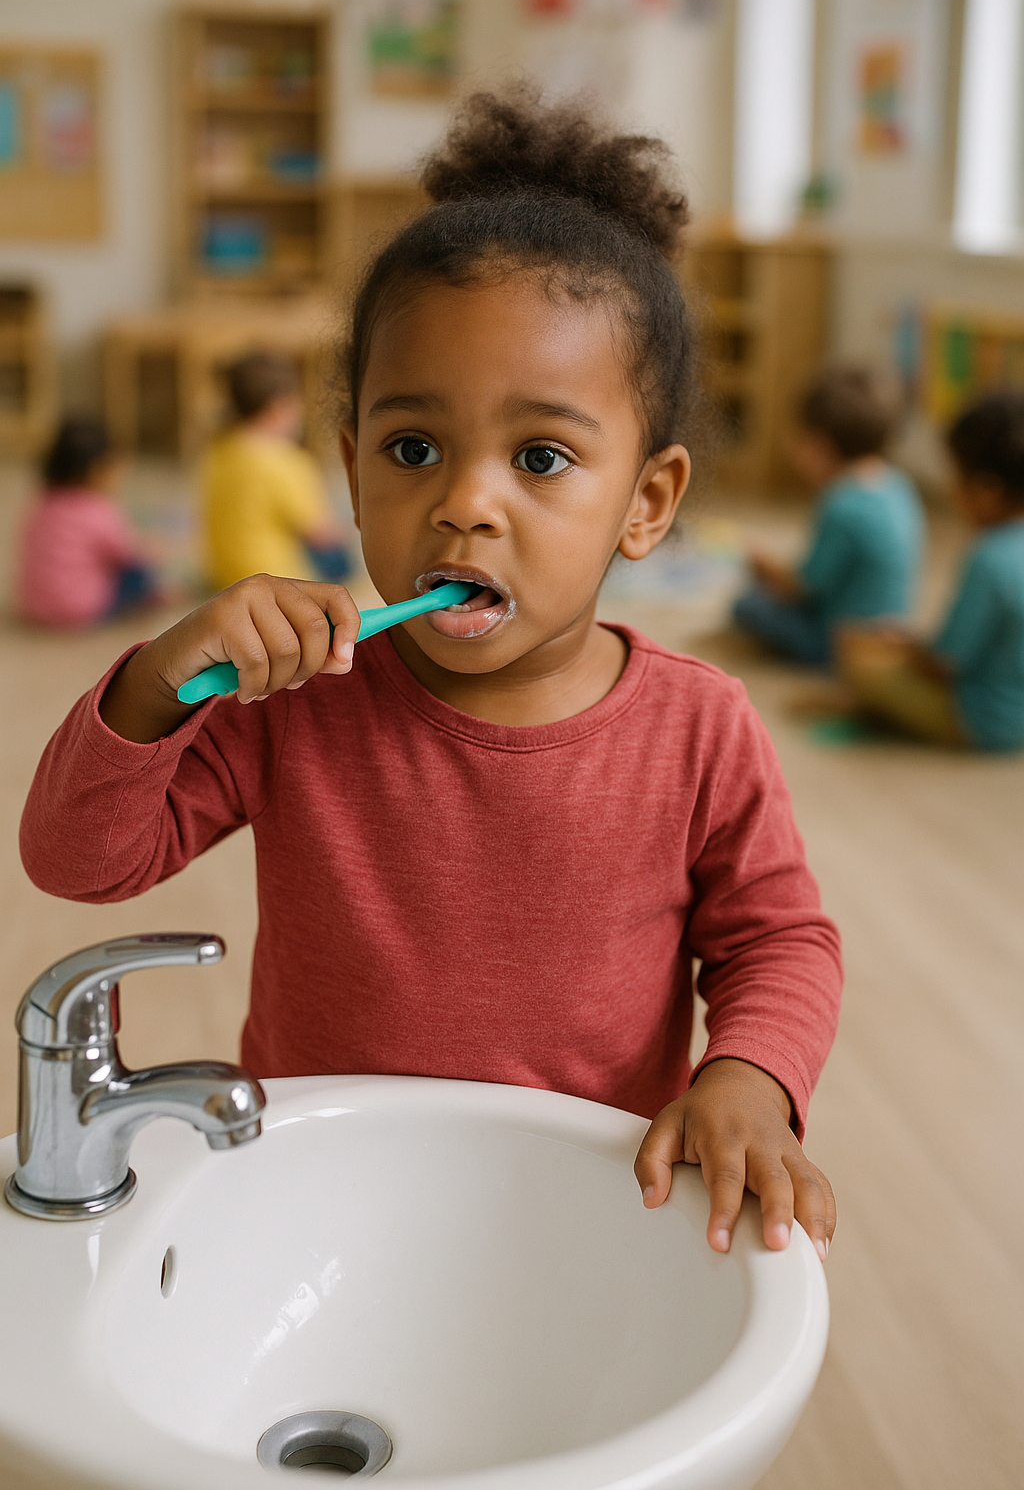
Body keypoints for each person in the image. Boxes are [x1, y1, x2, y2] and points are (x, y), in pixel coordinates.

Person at [20, 90, 842, 1262]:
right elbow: (76, 861)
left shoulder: (699, 727)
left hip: (587, 1201)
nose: (464, 501)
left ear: (647, 503)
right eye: (413, 450)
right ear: (351, 473)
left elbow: (779, 941)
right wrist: (160, 678)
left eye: (542, 457)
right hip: (320, 1189)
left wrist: (752, 1077)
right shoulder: (298, 695)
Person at [838, 391, 1024, 751]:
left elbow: (944, 664)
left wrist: (902, 647)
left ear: (986, 490)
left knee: (862, 659)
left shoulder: (990, 556)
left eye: (957, 481)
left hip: (982, 721)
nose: (952, 495)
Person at [734, 365, 924, 666]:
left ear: (820, 445)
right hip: (887, 635)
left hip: (842, 647)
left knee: (748, 605)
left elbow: (802, 588)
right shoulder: (898, 484)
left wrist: (762, 563)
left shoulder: (842, 502)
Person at [201, 351, 351, 589]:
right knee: (340, 558)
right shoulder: (287, 461)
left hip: (223, 578)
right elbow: (320, 534)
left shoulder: (219, 449)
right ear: (278, 406)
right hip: (273, 582)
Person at [17, 417, 158, 628]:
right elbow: (128, 554)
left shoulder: (41, 504)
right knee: (139, 573)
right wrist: (153, 551)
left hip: (35, 606)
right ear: (97, 470)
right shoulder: (98, 510)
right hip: (80, 610)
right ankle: (157, 596)